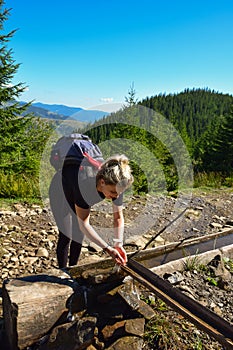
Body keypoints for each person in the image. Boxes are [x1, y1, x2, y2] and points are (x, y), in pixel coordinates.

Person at [49, 154, 134, 268]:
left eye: (119, 193)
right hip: (60, 190)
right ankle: (63, 270)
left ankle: (73, 269)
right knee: (66, 234)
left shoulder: (117, 185)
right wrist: (107, 249)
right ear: (102, 182)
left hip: (76, 190)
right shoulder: (86, 187)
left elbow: (118, 218)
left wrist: (118, 243)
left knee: (78, 236)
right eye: (113, 192)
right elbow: (84, 225)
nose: (116, 196)